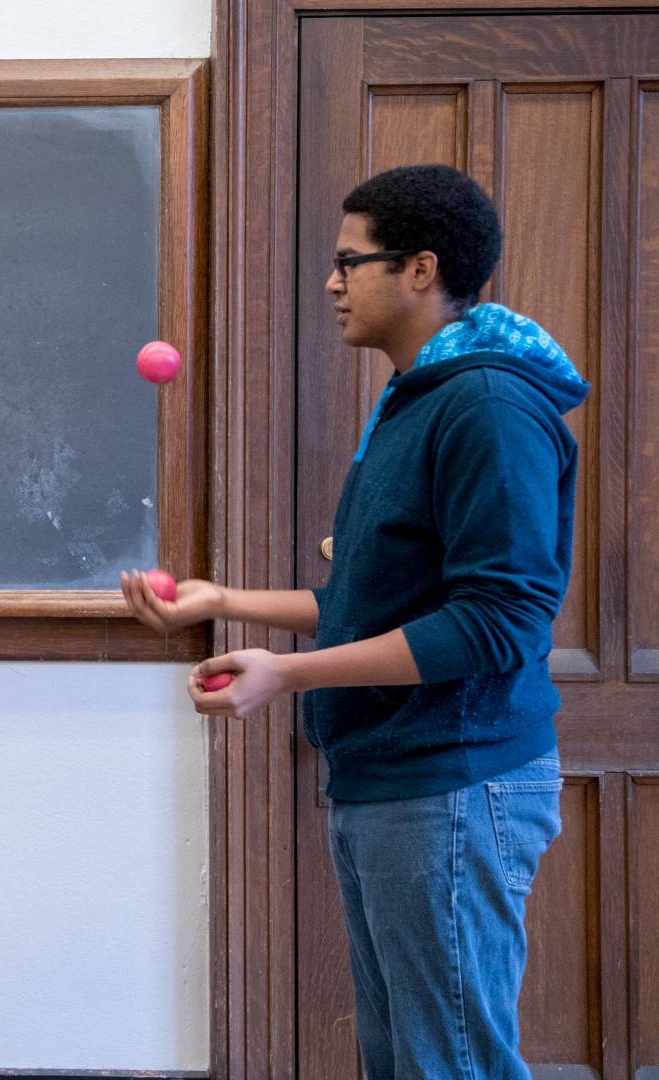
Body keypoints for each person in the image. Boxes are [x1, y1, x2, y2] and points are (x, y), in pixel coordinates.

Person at [122, 163, 588, 1078]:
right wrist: (221, 601)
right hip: (394, 782)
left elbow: (498, 624)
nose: (332, 283)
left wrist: (286, 673)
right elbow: (369, 604)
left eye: (350, 261)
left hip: (453, 785)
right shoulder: (419, 399)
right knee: (408, 1062)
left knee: (448, 1064)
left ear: (420, 270)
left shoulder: (486, 408)